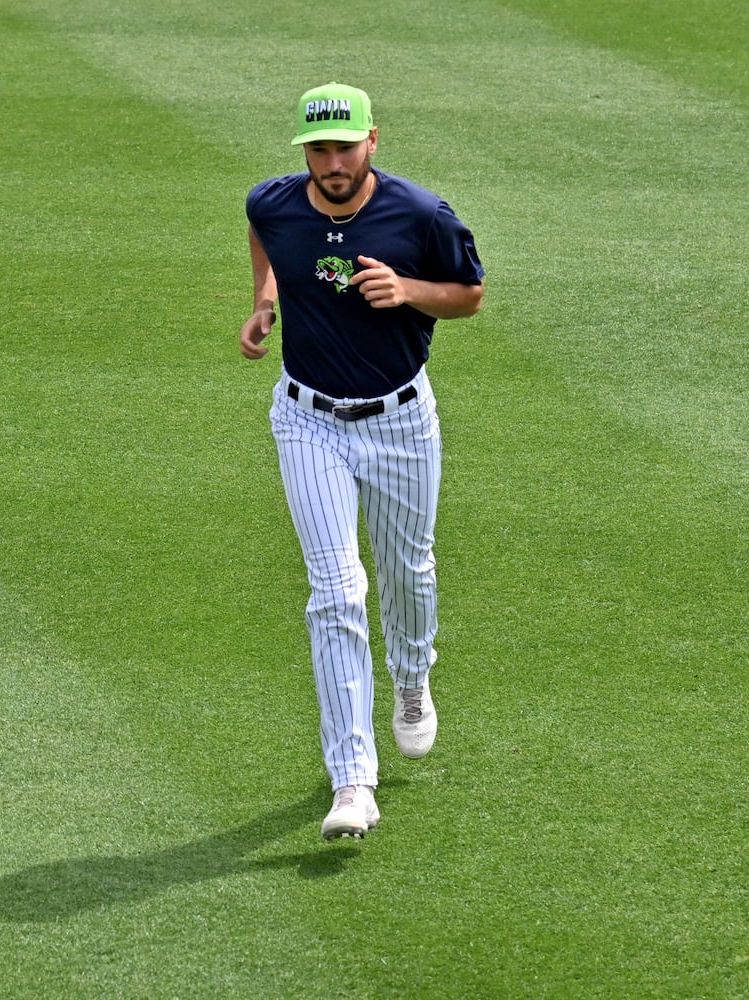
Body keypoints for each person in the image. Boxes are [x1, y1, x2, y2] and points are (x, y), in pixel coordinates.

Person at [240, 82, 485, 839]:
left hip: (401, 423)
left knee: (407, 571)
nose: (333, 162)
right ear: (303, 151)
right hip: (306, 420)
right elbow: (263, 234)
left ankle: (411, 680)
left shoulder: (419, 214)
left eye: (345, 146)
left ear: (372, 140)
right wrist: (263, 300)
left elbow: (469, 295)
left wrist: (408, 288)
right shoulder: (273, 202)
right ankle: (352, 782)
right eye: (319, 149)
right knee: (336, 591)